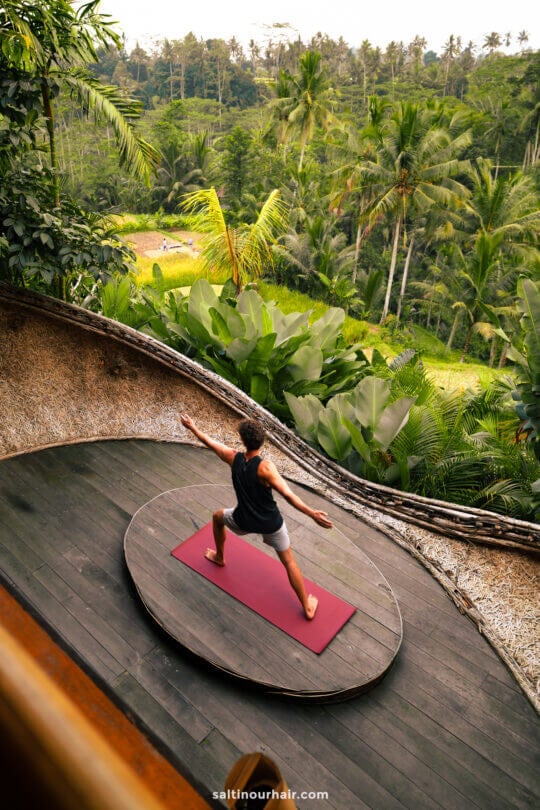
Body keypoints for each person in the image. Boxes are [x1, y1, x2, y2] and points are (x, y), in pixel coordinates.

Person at [180, 415, 333, 620]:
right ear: (261, 442)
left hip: (243, 520)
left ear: (243, 440)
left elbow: (209, 441)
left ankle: (219, 557)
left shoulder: (233, 457)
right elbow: (288, 495)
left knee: (217, 517)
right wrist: (312, 513)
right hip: (271, 525)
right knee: (289, 562)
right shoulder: (266, 468)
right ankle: (306, 606)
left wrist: (193, 427)